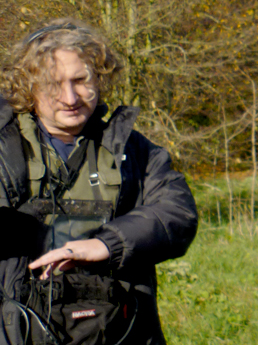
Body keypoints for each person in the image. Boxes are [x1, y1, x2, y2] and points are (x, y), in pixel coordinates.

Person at [0, 19, 198, 345]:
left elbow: (177, 213)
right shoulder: (4, 148)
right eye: (53, 83)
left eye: (81, 80)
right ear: (28, 84)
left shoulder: (134, 150)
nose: (70, 97)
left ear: (100, 78)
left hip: (122, 330)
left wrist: (107, 245)